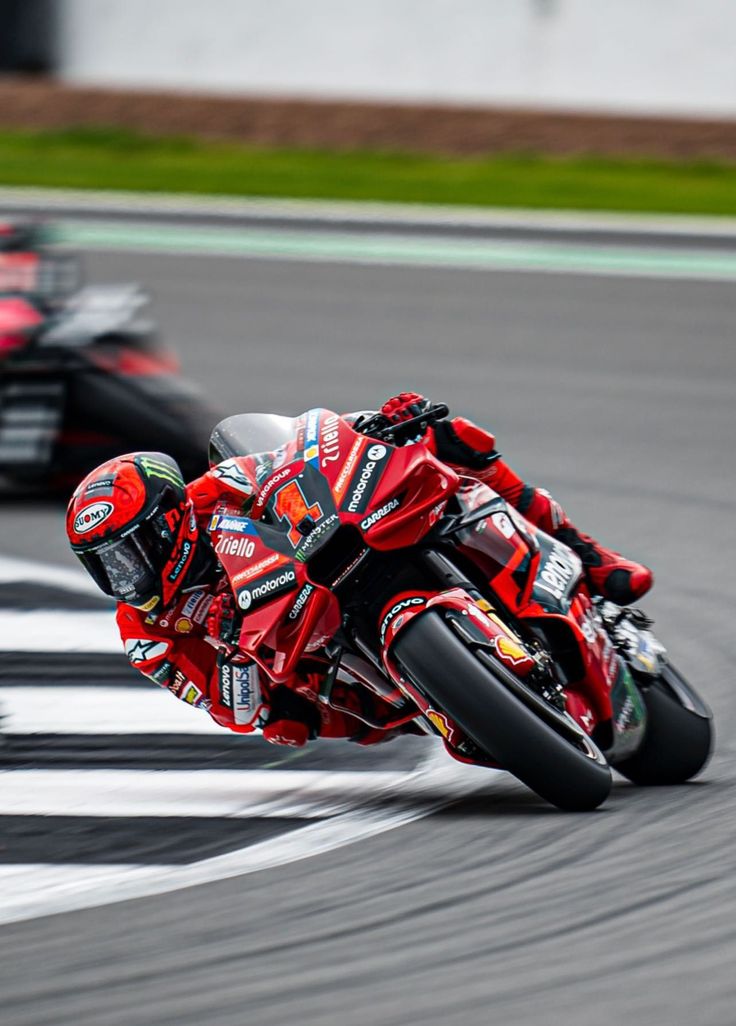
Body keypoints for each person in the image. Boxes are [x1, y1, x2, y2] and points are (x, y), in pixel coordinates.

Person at [66, 393, 652, 748]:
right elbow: (232, 705)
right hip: (310, 661)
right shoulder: (146, 632)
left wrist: (374, 426)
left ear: (170, 518)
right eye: (108, 565)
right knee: (290, 724)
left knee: (444, 440)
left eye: (132, 551)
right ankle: (449, 699)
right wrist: (240, 668)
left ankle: (594, 560)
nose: (126, 576)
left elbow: (294, 456)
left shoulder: (214, 492)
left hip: (337, 555)